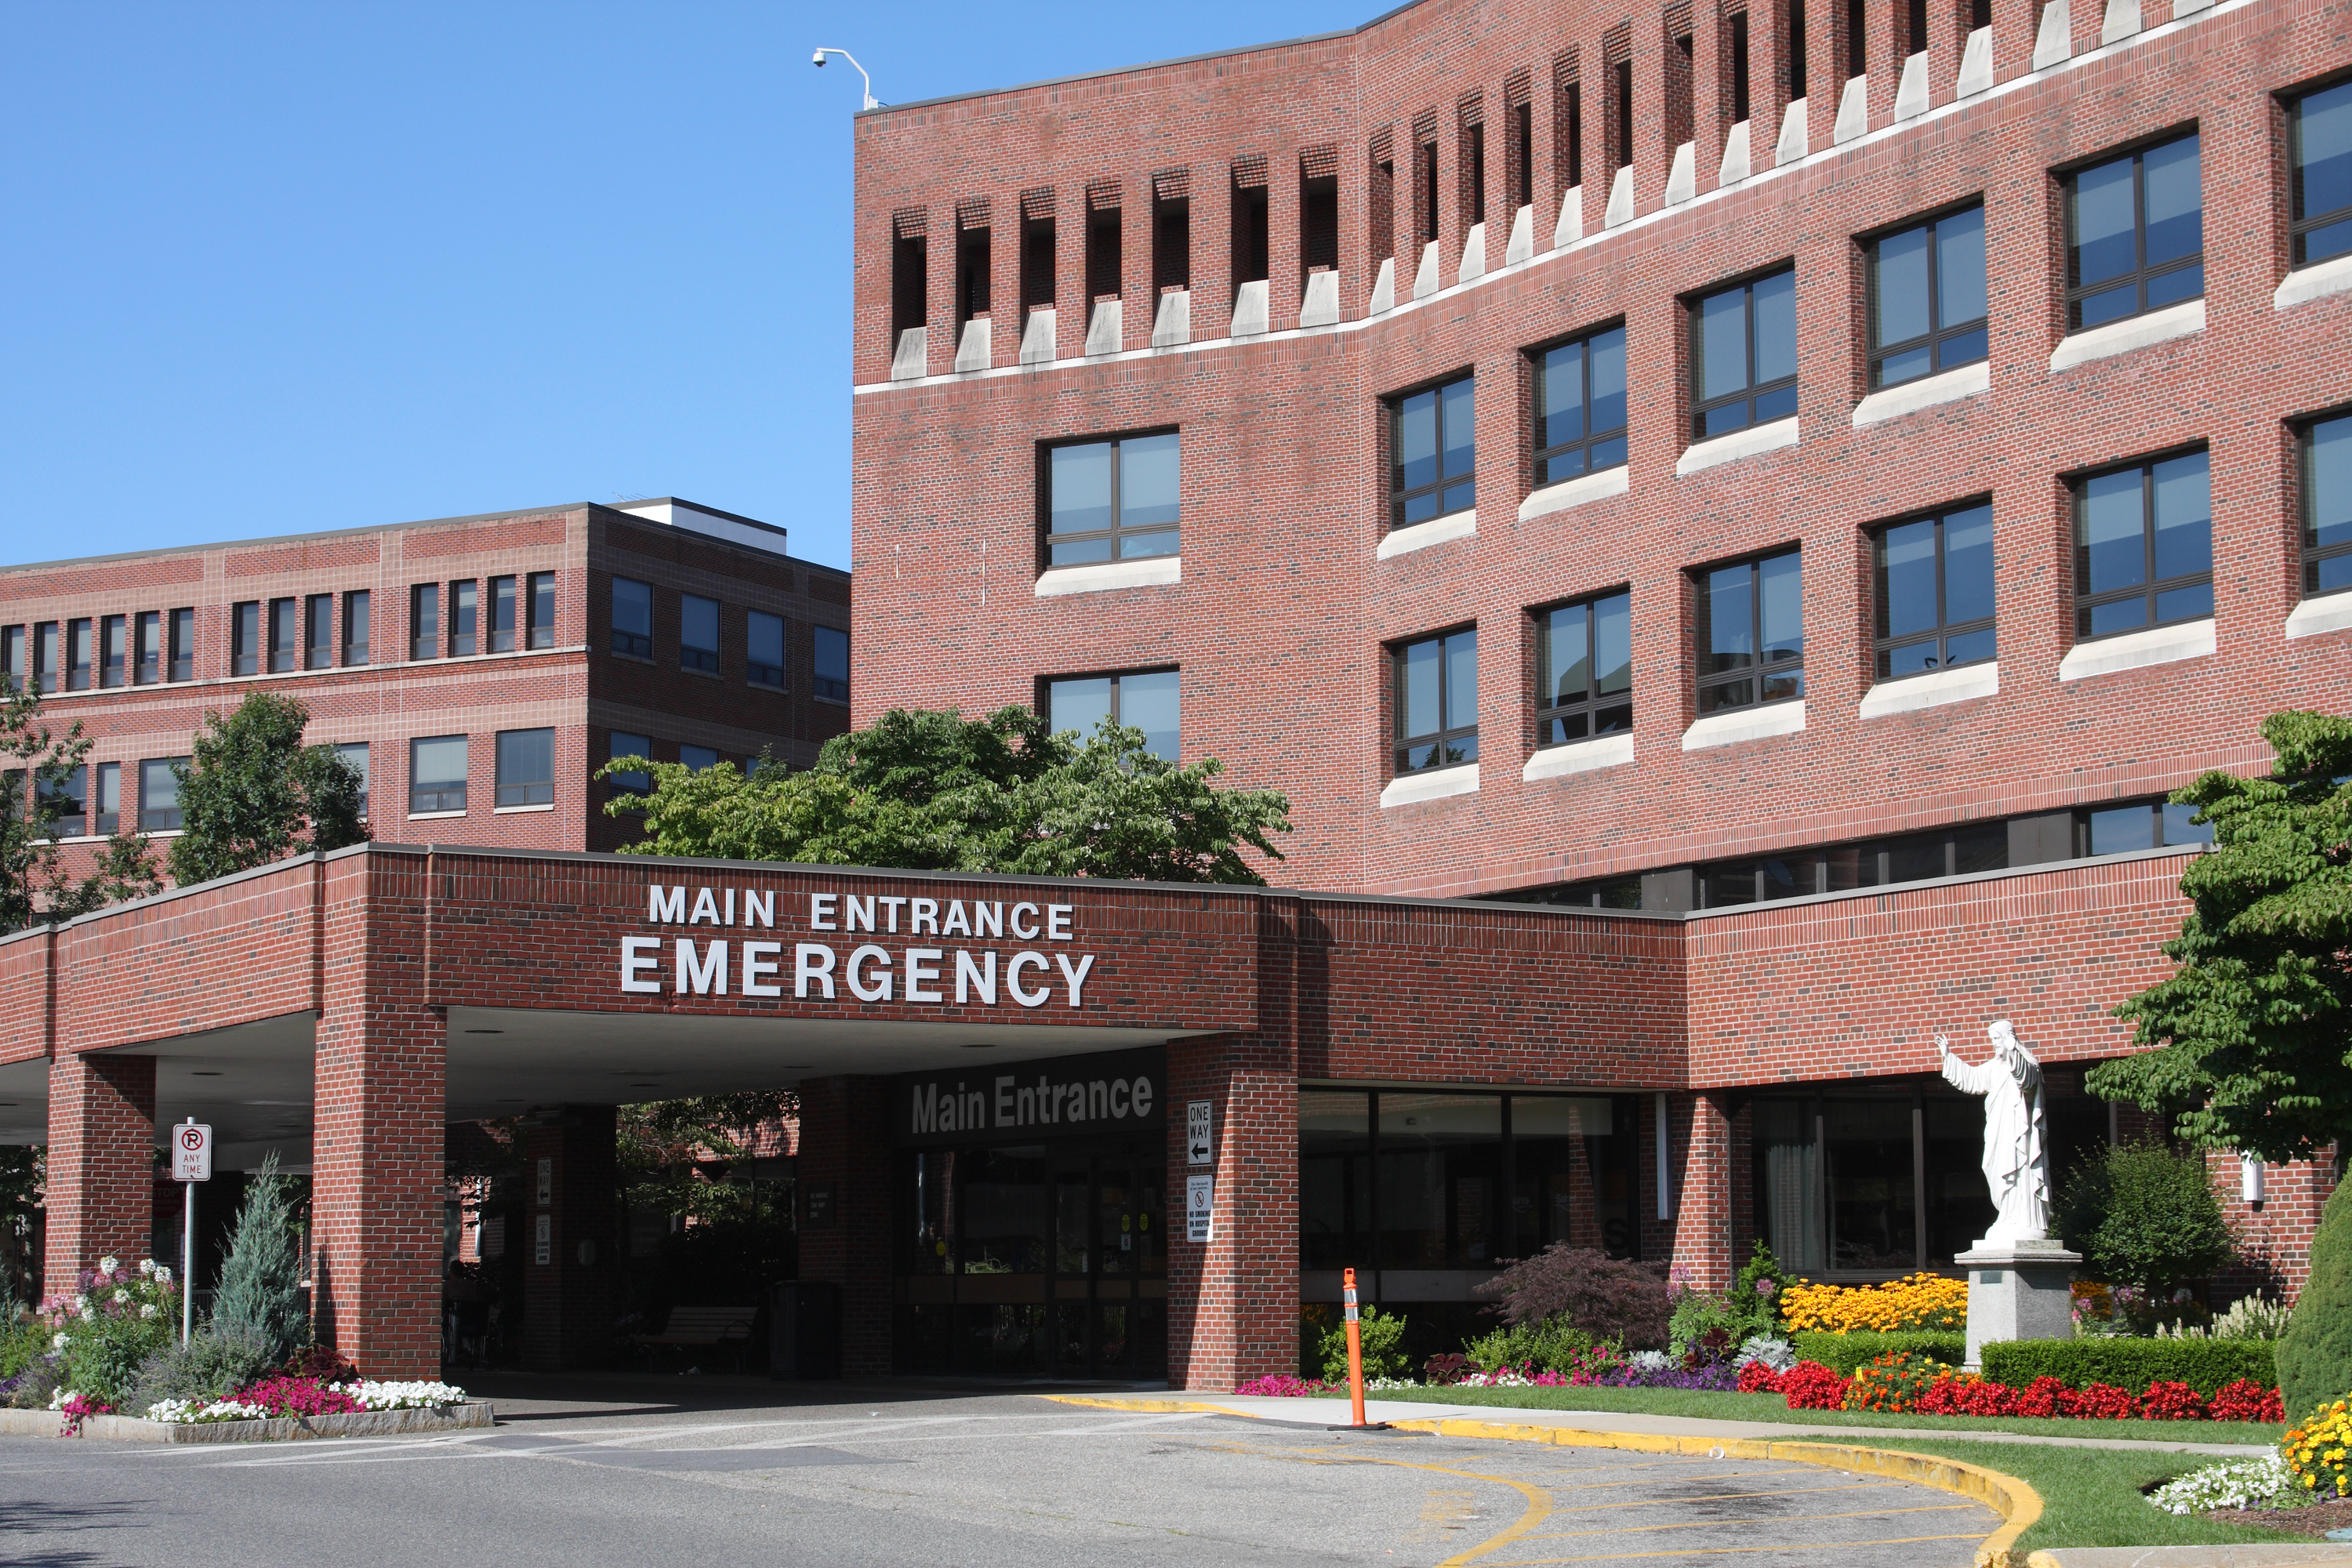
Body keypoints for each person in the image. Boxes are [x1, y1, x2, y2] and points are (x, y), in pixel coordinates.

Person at [1936, 1020, 2051, 1244]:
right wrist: (1948, 1056)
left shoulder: (2027, 1063)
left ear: (2009, 1037)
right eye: (1992, 1040)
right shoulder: (1995, 1066)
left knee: (2019, 1171)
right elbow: (1973, 1079)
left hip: (2020, 1132)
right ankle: (2008, 1216)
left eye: (1997, 1039)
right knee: (1994, 1166)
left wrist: (2013, 1051)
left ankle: (2024, 1219)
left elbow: (2026, 1080)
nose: (1994, 1044)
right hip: (1998, 1130)